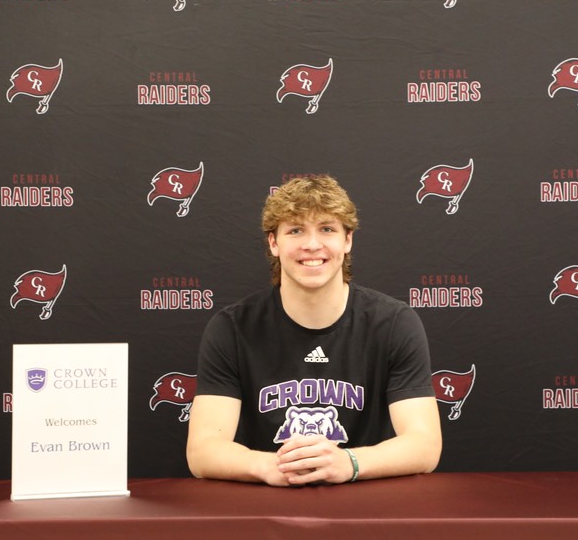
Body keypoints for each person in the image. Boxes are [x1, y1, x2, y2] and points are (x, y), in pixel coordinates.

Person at [187, 175, 441, 486]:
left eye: (327, 229)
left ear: (347, 240)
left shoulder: (393, 323)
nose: (311, 244)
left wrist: (349, 463)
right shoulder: (233, 328)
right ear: (274, 243)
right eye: (295, 230)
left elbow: (425, 445)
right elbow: (202, 452)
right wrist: (271, 466)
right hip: (265, 510)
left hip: (366, 507)